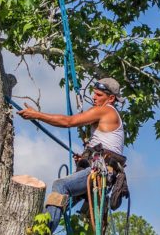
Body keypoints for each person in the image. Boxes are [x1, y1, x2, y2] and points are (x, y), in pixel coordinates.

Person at [17, 77, 125, 232]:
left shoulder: (106, 110)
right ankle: (39, 226)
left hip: (100, 172)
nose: (94, 97)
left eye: (99, 95)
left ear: (111, 98)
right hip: (101, 172)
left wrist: (37, 115)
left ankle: (41, 232)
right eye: (94, 94)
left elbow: (68, 121)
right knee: (60, 202)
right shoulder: (108, 113)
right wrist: (85, 158)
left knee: (61, 185)